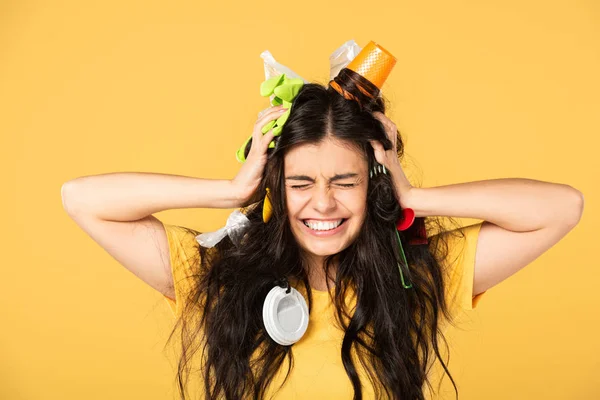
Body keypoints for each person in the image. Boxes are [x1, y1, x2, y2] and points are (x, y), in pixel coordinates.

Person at [62, 43, 584, 400]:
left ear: (372, 184)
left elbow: (563, 208)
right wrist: (232, 189)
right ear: (275, 187)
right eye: (301, 183)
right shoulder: (218, 276)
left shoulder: (416, 272)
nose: (324, 204)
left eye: (345, 181)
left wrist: (412, 193)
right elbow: (82, 198)